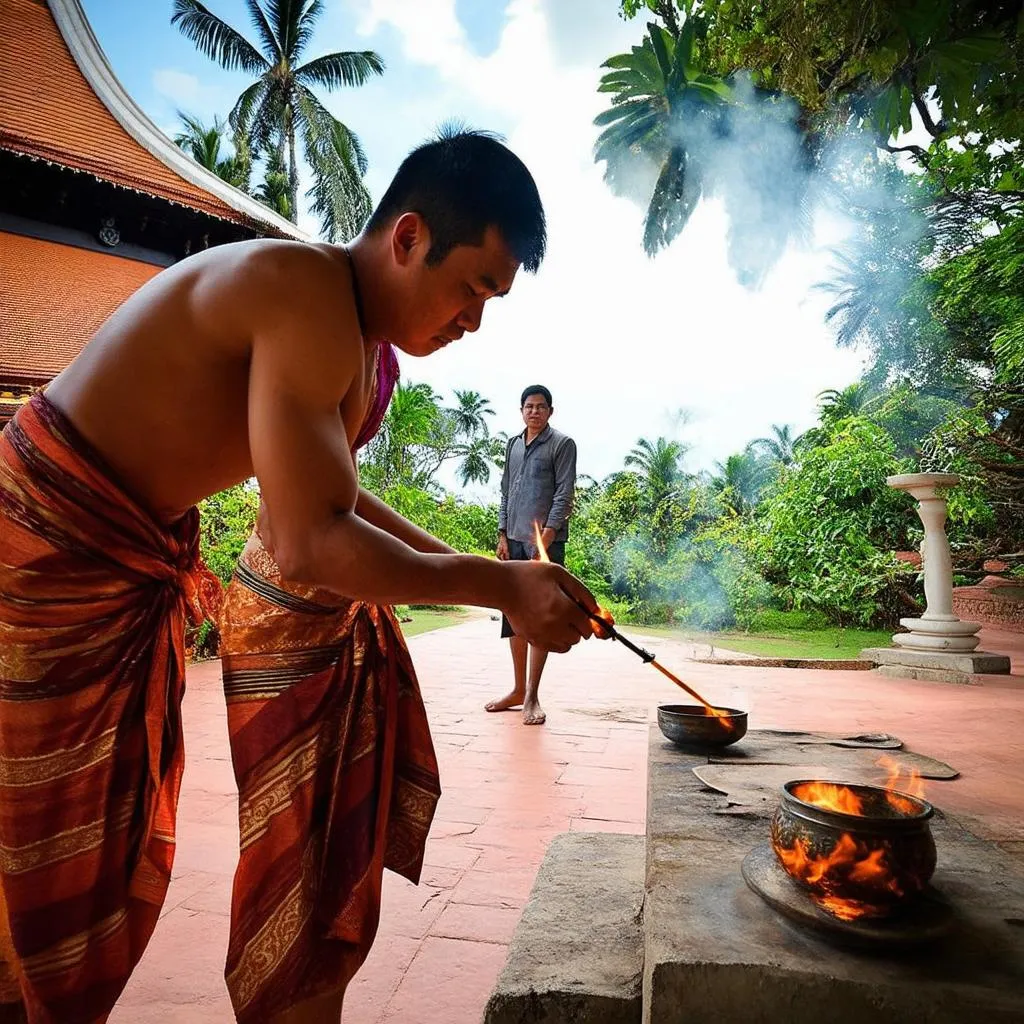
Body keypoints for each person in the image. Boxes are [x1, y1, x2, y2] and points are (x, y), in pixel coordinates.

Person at [0, 129, 603, 1024]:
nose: (475, 319)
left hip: (118, 562)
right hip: (46, 548)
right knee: (37, 855)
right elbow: (310, 540)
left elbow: (337, 502)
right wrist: (503, 585)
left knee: (89, 852)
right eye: (471, 286)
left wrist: (491, 572)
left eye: (493, 301)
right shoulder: (306, 293)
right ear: (406, 238)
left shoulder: (357, 340)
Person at [486, 385, 577, 725]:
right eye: (529, 406)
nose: (534, 412)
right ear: (521, 410)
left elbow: (564, 494)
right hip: (513, 541)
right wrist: (502, 533)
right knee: (513, 615)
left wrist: (546, 542)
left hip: (545, 546)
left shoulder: (562, 445)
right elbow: (506, 492)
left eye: (541, 407)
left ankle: (531, 695)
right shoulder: (512, 445)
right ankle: (515, 688)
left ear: (550, 411)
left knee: (540, 618)